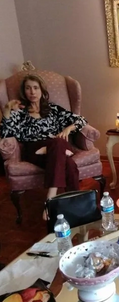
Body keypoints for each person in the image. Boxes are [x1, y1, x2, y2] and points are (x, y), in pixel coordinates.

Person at [0, 74, 87, 220]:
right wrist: (7, 109)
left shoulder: (53, 109)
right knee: (68, 162)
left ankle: (50, 200)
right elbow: (6, 132)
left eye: (35, 88)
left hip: (53, 145)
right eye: (28, 88)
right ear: (24, 92)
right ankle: (76, 205)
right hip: (34, 149)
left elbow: (81, 120)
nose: (32, 92)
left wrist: (67, 130)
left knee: (58, 144)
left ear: (41, 90)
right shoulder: (20, 113)